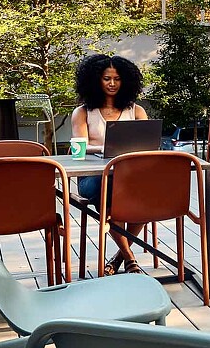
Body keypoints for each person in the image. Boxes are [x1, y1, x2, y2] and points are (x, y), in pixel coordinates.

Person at [71, 54, 149, 276]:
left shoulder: (136, 111)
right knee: (111, 195)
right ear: (96, 80)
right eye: (107, 78)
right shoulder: (83, 112)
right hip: (94, 177)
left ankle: (118, 258)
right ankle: (130, 259)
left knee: (149, 197)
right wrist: (109, 149)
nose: (112, 83)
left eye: (117, 79)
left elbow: (149, 144)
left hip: (129, 175)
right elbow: (78, 149)